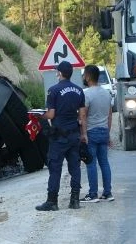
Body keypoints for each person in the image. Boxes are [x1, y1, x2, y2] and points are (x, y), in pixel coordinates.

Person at [35, 61, 87, 211]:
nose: (56, 73)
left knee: (55, 168)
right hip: (74, 135)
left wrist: (39, 115)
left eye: (57, 71)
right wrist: (84, 134)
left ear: (60, 73)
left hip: (59, 137)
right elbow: (82, 115)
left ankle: (52, 202)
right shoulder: (79, 90)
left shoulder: (53, 90)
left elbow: (51, 114)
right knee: (75, 168)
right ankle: (75, 201)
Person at [80, 65, 114, 203]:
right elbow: (110, 115)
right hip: (104, 131)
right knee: (104, 163)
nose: (83, 77)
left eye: (84, 75)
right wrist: (108, 133)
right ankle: (108, 193)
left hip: (91, 132)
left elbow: (83, 115)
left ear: (88, 76)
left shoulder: (87, 94)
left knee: (91, 163)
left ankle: (93, 194)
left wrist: (83, 134)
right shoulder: (106, 93)